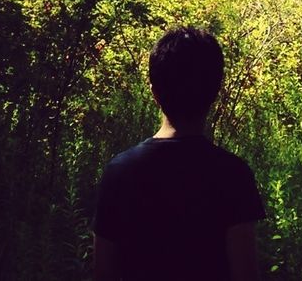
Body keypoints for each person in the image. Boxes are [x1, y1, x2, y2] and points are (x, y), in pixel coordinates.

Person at [93, 27, 266, 281]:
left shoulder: (120, 172)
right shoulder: (233, 174)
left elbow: (103, 274)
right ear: (215, 92)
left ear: (154, 92)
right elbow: (245, 274)